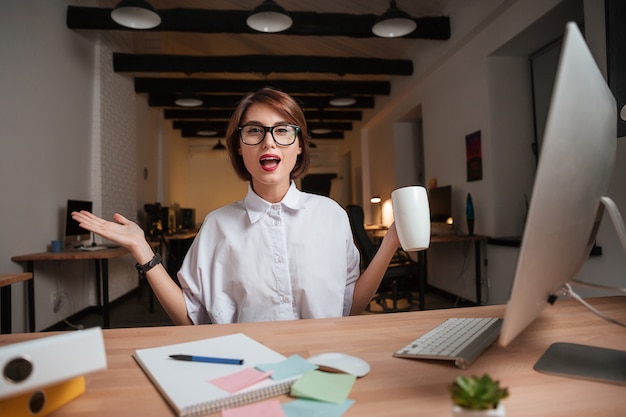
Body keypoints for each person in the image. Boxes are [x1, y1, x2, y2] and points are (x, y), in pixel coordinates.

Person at [72, 87, 401, 325]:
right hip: (246, 368)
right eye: (255, 131)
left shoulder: (332, 215)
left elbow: (350, 306)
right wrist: (140, 247)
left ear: (300, 145)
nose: (269, 141)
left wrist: (390, 243)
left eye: (282, 130)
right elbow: (189, 318)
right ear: (239, 148)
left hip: (324, 363)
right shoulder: (218, 225)